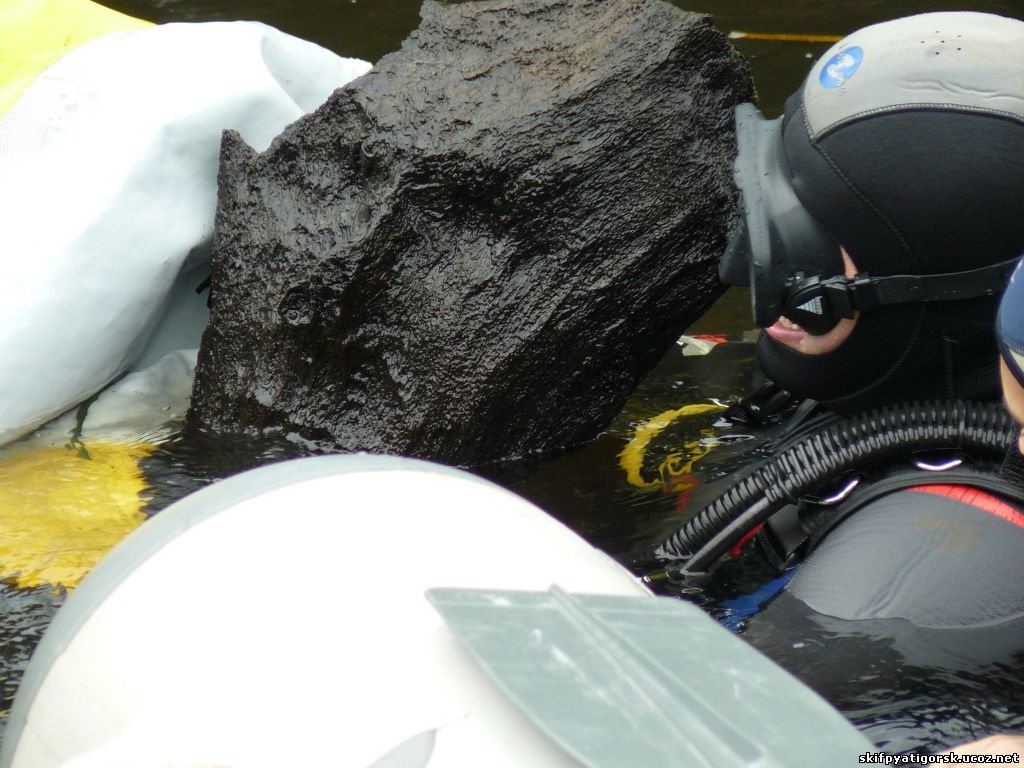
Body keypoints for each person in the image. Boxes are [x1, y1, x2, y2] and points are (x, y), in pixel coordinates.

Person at [635, 10, 1024, 755]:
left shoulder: (909, 585)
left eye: (810, 237)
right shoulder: (882, 377)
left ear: (947, 283)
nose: (752, 264)